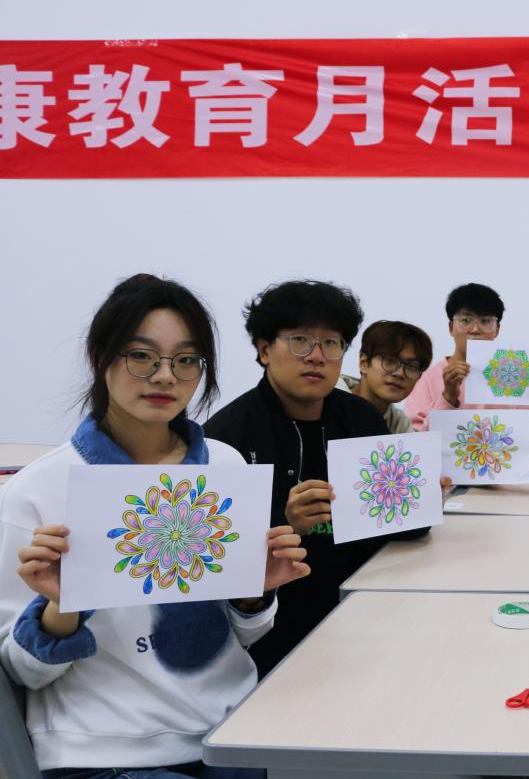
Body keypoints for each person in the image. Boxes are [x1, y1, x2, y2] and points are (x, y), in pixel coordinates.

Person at [0, 274, 308, 777]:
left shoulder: (224, 468)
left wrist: (254, 594)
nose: (165, 376)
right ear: (100, 356)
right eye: (141, 356)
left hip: (232, 733)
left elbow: (240, 637)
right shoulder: (37, 491)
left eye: (186, 360)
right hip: (107, 756)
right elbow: (19, 673)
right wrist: (62, 604)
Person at [203, 280, 419, 675]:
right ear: (264, 350)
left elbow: (403, 530)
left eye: (331, 343)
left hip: (371, 611)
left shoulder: (362, 419)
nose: (317, 356)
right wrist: (287, 524)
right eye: (300, 340)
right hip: (273, 637)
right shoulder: (225, 439)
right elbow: (214, 562)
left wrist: (420, 498)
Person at [402, 283, 529, 442]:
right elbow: (415, 443)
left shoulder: (514, 378)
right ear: (451, 327)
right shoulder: (426, 379)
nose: (475, 329)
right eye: (465, 320)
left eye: (485, 321)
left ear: (497, 329)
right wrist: (447, 398)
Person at [334, 320, 432, 433]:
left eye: (412, 366)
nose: (400, 373)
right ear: (363, 363)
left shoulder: (399, 424)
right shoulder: (326, 403)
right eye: (390, 360)